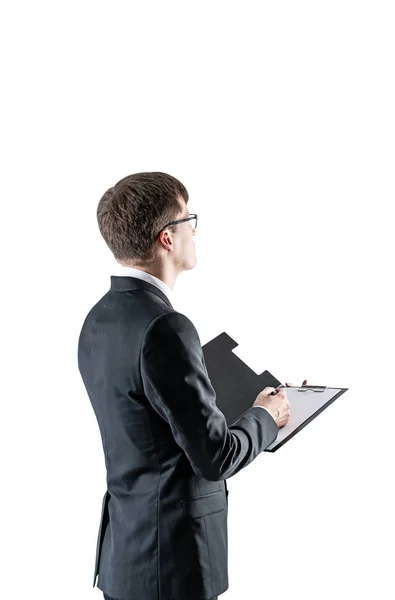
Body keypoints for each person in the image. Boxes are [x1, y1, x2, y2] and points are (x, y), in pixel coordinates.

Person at [77, 172, 303, 600]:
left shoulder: (98, 319)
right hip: (173, 564)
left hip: (126, 557)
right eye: (188, 219)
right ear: (167, 238)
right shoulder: (167, 327)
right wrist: (267, 416)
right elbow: (215, 458)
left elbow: (147, 420)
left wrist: (228, 404)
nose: (194, 231)